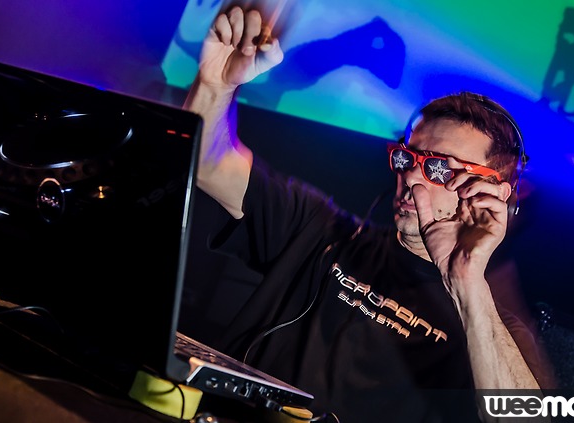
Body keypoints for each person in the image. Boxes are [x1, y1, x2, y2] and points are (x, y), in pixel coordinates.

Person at [183, 5, 552, 422]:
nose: (412, 176)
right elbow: (208, 163)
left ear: (493, 193)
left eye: (438, 168)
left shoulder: (489, 328)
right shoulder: (321, 230)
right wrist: (214, 84)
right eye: (407, 158)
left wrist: (468, 285)